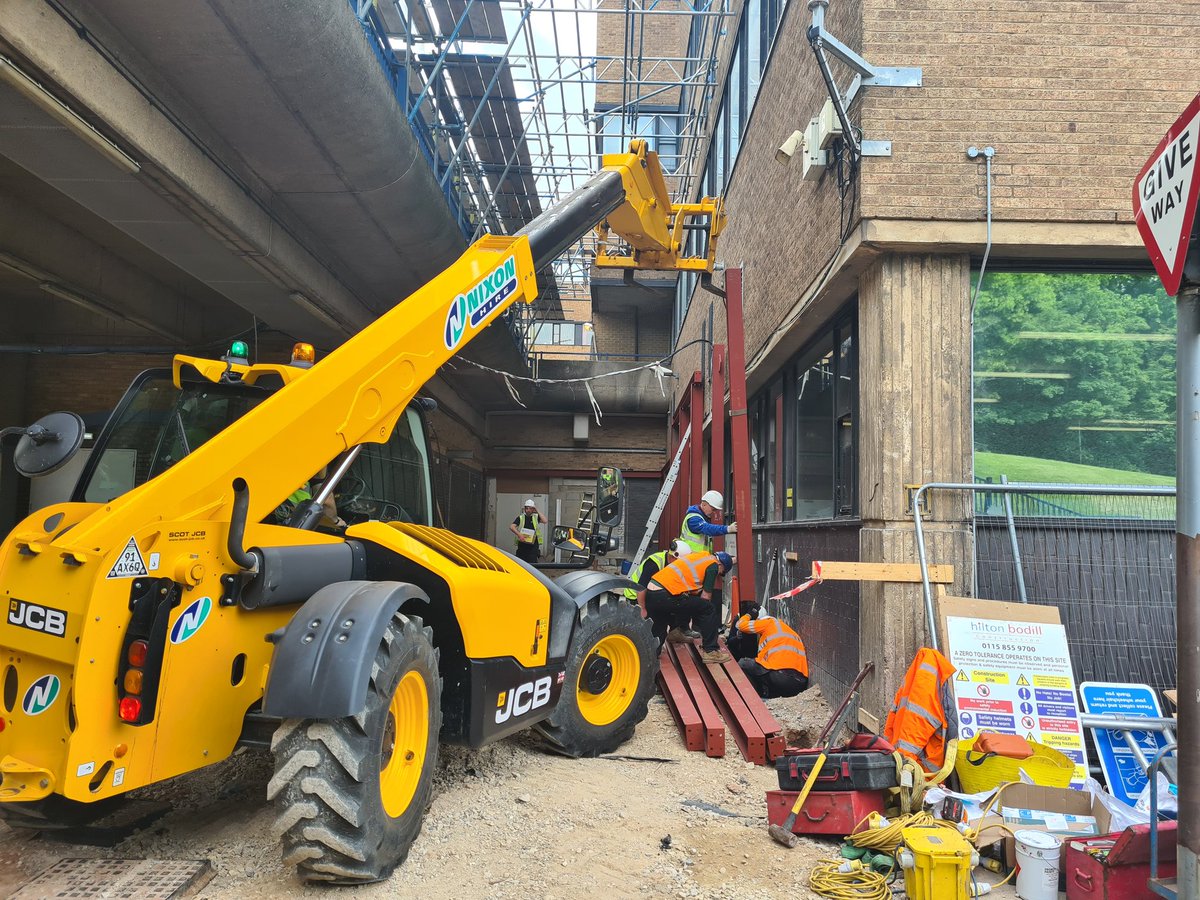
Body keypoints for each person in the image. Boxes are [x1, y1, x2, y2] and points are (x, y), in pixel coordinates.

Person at [640, 550, 736, 664]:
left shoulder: (700, 556)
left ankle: (651, 655)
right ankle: (711, 651)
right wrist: (707, 627)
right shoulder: (713, 565)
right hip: (666, 594)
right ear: (721, 565)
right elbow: (705, 597)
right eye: (721, 572)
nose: (718, 575)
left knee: (660, 627)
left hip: (652, 593)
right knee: (707, 608)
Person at [624, 541, 699, 643]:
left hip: (654, 594)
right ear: (673, 557)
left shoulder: (674, 565)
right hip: (636, 597)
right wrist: (642, 608)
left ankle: (675, 632)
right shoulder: (654, 563)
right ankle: (651, 646)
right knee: (657, 626)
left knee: (682, 602)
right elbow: (641, 587)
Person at [731, 604, 809, 698]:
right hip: (799, 683)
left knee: (743, 663)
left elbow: (740, 625)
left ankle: (753, 697)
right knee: (764, 670)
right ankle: (769, 695)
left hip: (780, 676)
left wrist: (750, 614)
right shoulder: (788, 631)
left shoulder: (767, 623)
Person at [678, 489, 737, 554]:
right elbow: (708, 528)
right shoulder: (694, 519)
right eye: (713, 509)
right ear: (704, 505)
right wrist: (728, 529)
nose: (713, 512)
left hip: (697, 559)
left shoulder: (701, 518)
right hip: (691, 558)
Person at [510, 499, 546, 564]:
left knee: (532, 563)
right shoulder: (520, 518)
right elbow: (512, 527)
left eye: (530, 508)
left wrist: (537, 510)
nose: (528, 510)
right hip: (523, 544)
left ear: (533, 509)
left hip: (533, 545)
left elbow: (545, 521)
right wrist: (519, 534)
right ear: (524, 509)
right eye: (527, 508)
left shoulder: (535, 517)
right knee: (522, 563)